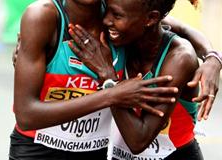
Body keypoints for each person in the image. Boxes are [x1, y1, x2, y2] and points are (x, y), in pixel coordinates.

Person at [10, 0, 179, 160]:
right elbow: (26, 116)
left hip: (94, 152)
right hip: (36, 152)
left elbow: (161, 21)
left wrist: (206, 55)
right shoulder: (42, 16)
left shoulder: (115, 14)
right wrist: (111, 94)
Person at [67, 0, 221, 159]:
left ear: (150, 19)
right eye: (108, 10)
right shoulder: (127, 34)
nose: (106, 20)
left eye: (117, 15)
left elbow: (138, 140)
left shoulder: (179, 58)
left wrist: (108, 78)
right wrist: (213, 57)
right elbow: (182, 27)